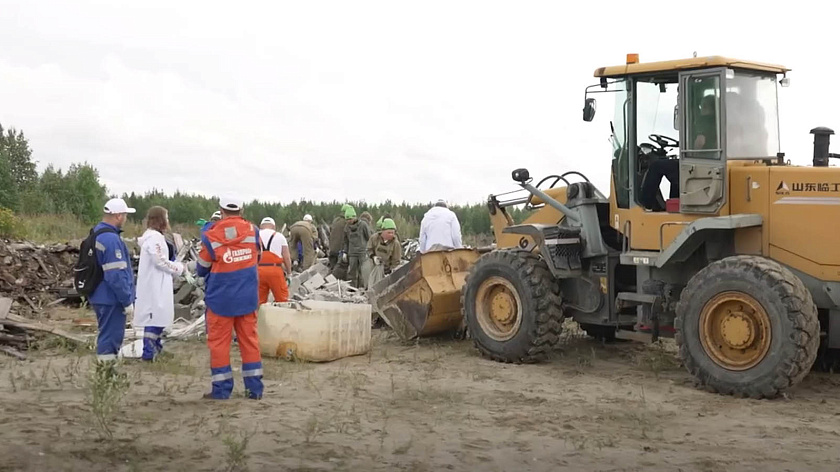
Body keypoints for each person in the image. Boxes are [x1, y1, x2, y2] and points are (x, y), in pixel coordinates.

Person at [196, 197, 263, 400]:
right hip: (247, 297)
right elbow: (257, 257)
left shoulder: (211, 235)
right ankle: (254, 390)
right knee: (250, 342)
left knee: (219, 345)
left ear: (221, 211)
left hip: (220, 299)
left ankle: (222, 391)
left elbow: (201, 268)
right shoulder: (253, 232)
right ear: (241, 210)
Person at [134, 206, 187, 361]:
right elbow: (160, 260)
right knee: (155, 317)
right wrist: (178, 267)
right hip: (155, 284)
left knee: (159, 316)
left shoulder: (155, 237)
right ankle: (149, 352)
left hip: (158, 282)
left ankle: (156, 347)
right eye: (167, 217)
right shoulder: (154, 238)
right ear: (161, 220)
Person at [89, 198, 136, 364]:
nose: (125, 219)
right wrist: (126, 300)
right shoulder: (110, 239)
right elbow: (115, 274)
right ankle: (107, 375)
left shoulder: (97, 233)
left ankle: (106, 371)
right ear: (118, 216)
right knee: (111, 338)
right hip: (110, 298)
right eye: (124, 215)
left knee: (106, 334)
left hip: (99, 294)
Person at [258, 216, 291, 305]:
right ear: (274, 226)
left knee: (259, 301)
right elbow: (286, 256)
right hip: (275, 270)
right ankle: (281, 317)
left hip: (258, 271)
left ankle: (259, 318)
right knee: (282, 300)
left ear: (261, 226)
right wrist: (289, 272)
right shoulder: (280, 236)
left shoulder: (255, 235)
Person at [342, 206, 371, 287]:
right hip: (352, 253)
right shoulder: (346, 227)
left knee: (363, 272)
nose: (349, 221)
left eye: (350, 219)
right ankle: (352, 288)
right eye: (347, 220)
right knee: (352, 272)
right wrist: (345, 252)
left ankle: (364, 288)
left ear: (355, 217)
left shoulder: (363, 225)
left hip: (362, 252)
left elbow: (369, 238)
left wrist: (369, 251)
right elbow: (345, 241)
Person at [329, 204, 351, 276]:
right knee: (340, 272)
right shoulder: (347, 223)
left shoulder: (335, 220)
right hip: (340, 250)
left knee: (332, 269)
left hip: (332, 249)